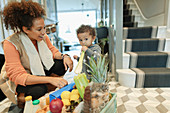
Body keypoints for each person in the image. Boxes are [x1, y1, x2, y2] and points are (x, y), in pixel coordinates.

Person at [0, 1, 73, 108]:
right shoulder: (10, 43)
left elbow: (53, 51)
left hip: (39, 71)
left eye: (44, 27)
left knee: (61, 64)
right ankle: (22, 96)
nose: (44, 32)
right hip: (21, 79)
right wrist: (51, 80)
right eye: (39, 29)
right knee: (39, 90)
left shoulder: (42, 36)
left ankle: (48, 87)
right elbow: (18, 76)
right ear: (26, 29)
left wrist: (65, 56)